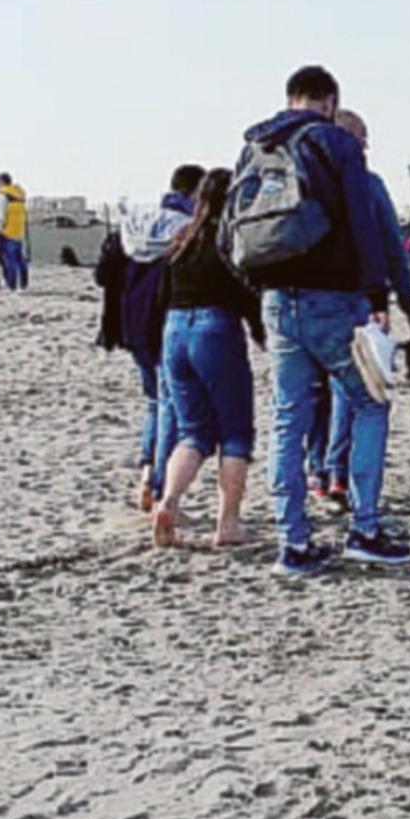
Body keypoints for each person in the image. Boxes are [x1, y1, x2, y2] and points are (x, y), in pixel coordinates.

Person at [238, 65, 410, 576]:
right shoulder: (335, 144)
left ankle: (292, 541)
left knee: (288, 416)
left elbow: (235, 230)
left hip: (277, 298)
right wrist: (376, 296)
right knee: (369, 402)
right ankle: (364, 527)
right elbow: (364, 225)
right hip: (333, 299)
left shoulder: (256, 144)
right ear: (330, 101)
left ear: (289, 97)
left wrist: (259, 292)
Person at [150, 169, 266, 548]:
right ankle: (228, 524)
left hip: (175, 330)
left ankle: (168, 501)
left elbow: (162, 294)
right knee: (235, 432)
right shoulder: (229, 240)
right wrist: (264, 335)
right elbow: (247, 295)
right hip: (216, 329)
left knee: (193, 431)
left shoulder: (183, 239)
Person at [110, 165, 200, 510]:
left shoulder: (134, 222)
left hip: (132, 320)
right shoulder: (186, 229)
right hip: (165, 319)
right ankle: (159, 483)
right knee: (170, 406)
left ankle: (147, 474)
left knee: (154, 402)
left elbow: (106, 274)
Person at [0, 172, 29, 290]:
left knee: (9, 260)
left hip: (7, 232)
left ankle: (11, 284)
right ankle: (23, 283)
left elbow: (1, 215)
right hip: (19, 231)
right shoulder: (20, 196)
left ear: (2, 182)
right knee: (20, 259)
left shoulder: (4, 196)